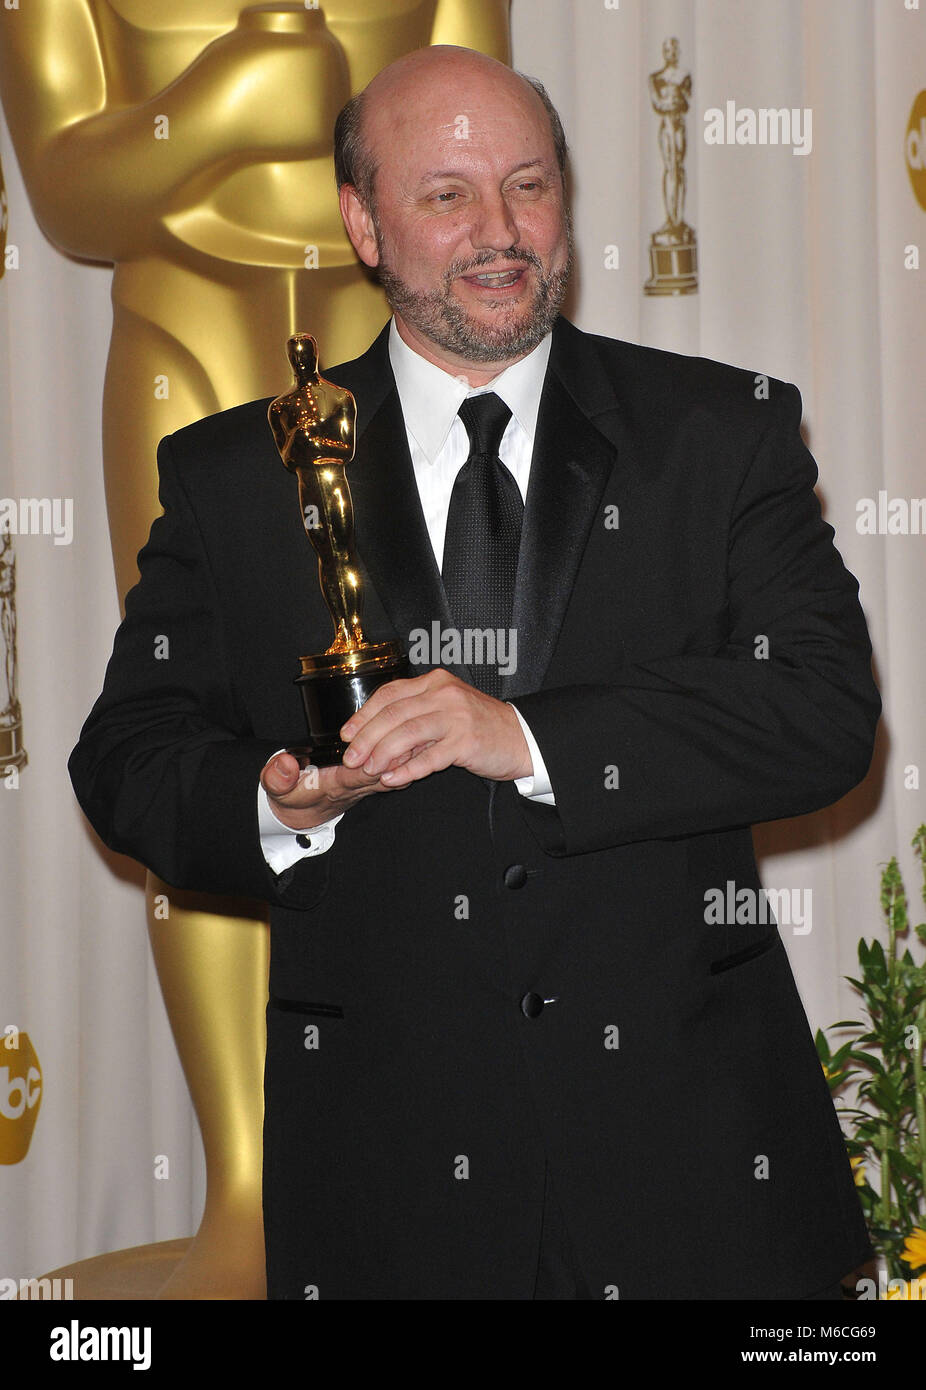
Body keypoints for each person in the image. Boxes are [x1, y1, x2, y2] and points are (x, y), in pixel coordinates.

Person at [69, 46, 881, 1300]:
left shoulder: (721, 434)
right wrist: (270, 806)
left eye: (527, 185)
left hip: (696, 1184)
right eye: (446, 195)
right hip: (386, 1196)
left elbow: (823, 713)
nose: (500, 232)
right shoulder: (239, 474)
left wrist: (527, 735)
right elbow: (128, 758)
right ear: (362, 224)